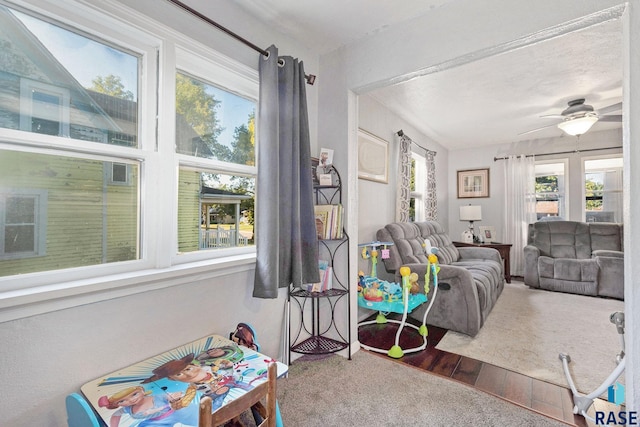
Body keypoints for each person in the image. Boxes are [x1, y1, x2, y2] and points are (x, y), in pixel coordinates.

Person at [142, 353, 252, 412]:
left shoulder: (209, 369)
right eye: (179, 374)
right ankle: (228, 411)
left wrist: (225, 362)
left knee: (245, 385)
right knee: (211, 408)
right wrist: (176, 403)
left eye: (188, 369)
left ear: (196, 365)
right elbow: (185, 401)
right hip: (213, 394)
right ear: (173, 379)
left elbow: (218, 363)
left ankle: (250, 397)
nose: (189, 375)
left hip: (227, 382)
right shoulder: (193, 387)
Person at [98, 385, 198, 427]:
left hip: (176, 412)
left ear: (142, 391)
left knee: (201, 419)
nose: (132, 400)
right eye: (122, 401)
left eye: (134, 394)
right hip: (157, 422)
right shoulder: (128, 409)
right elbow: (116, 415)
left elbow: (169, 396)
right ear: (117, 404)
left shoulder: (157, 398)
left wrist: (173, 396)